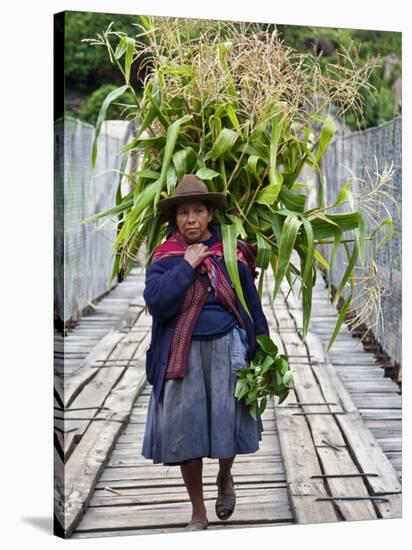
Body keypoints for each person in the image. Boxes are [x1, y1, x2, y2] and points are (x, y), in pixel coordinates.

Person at [141, 174, 270, 531]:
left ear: (211, 214)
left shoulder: (231, 252)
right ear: (176, 219)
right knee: (188, 435)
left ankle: (225, 475)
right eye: (183, 213)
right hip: (182, 356)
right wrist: (187, 265)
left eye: (198, 210)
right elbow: (157, 303)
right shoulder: (167, 257)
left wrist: (262, 346)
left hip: (228, 349)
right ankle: (198, 511)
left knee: (228, 424)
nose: (191, 219)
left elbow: (251, 304)